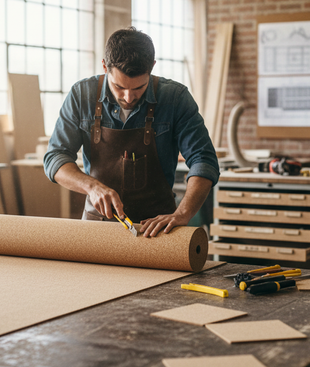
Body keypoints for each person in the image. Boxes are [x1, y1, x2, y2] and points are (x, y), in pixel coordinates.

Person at [43, 27, 219, 237]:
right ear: (104, 66)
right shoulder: (82, 95)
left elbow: (203, 159)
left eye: (138, 88)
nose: (128, 97)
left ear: (152, 67)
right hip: (97, 226)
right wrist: (92, 187)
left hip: (158, 228)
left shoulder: (175, 98)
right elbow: (55, 157)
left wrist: (182, 213)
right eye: (119, 87)